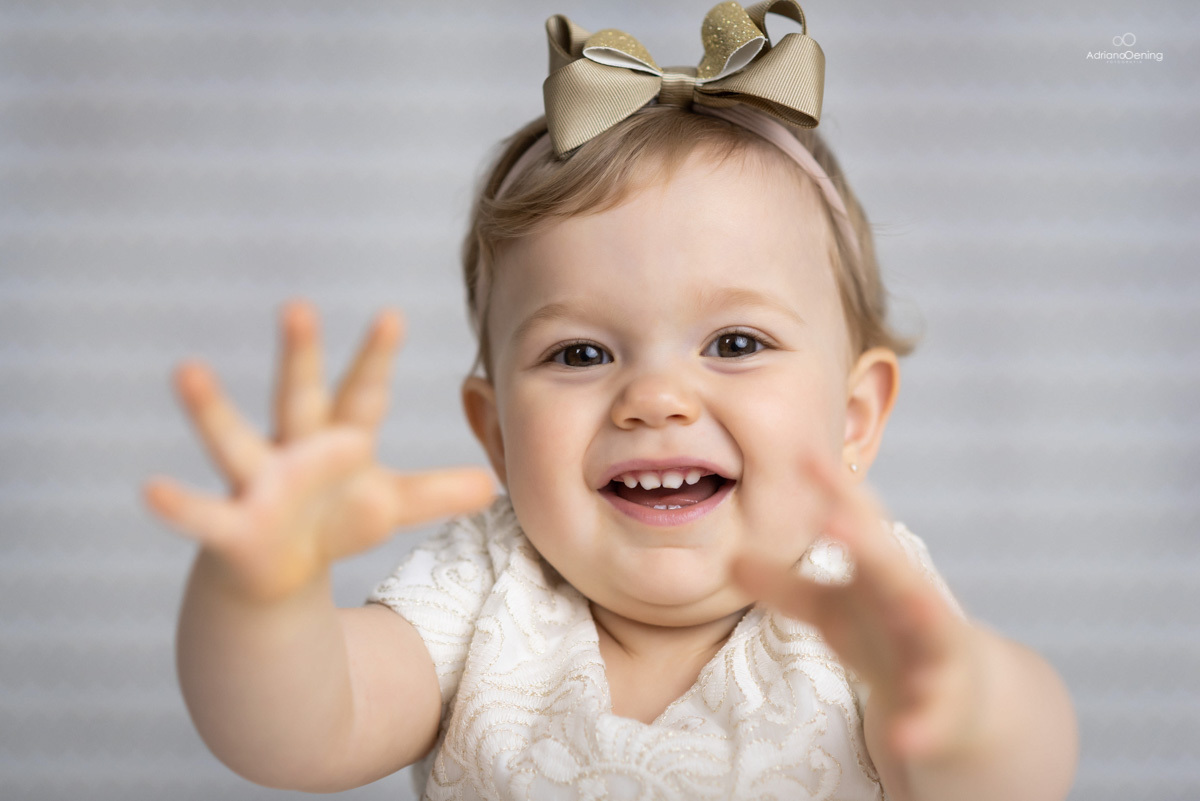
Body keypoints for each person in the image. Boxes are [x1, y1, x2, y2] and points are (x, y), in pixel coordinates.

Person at [143, 2, 1078, 799]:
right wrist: (261, 594)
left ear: (853, 417)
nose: (656, 397)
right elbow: (295, 730)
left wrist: (962, 699)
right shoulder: (480, 593)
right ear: (497, 433)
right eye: (580, 351)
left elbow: (1009, 772)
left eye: (736, 343)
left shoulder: (860, 608)